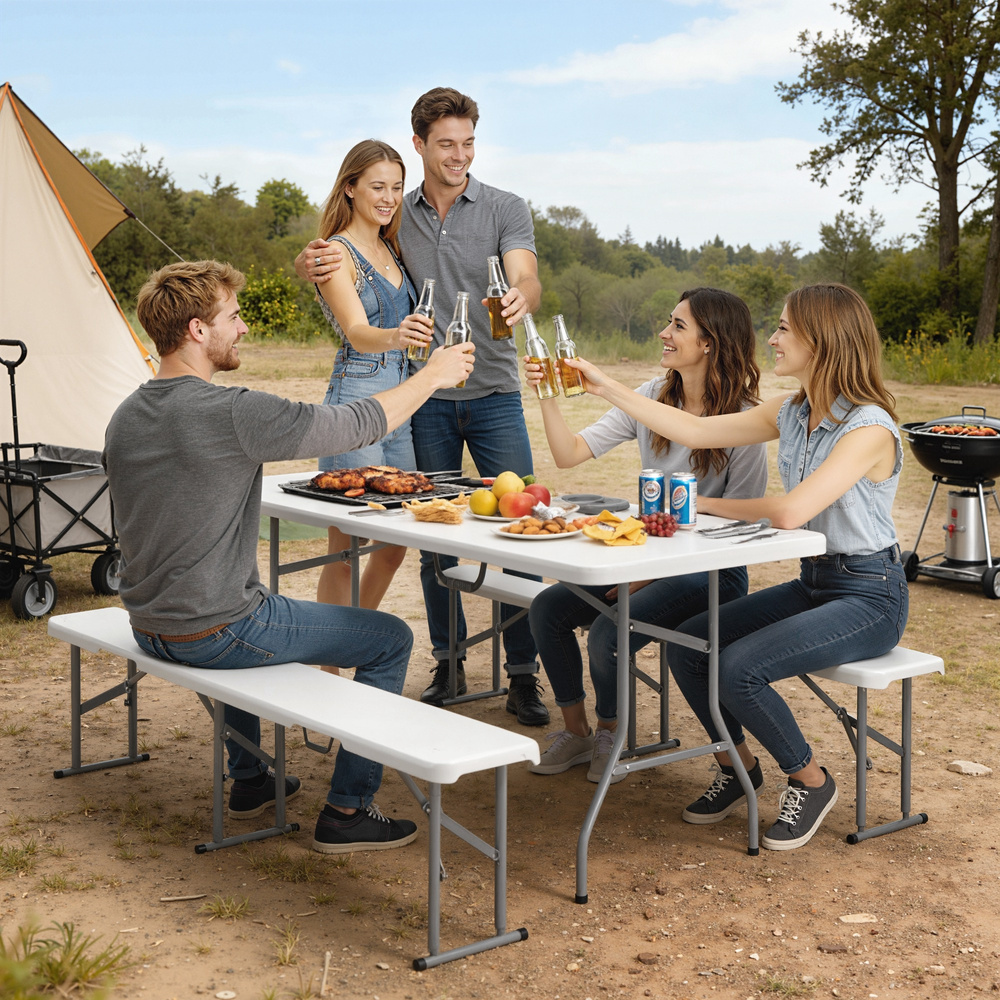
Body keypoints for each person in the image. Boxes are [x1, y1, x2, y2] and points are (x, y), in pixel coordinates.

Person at [103, 260, 474, 855]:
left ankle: (251, 781)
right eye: (234, 316)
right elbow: (354, 422)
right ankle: (349, 809)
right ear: (198, 330)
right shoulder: (230, 413)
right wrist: (432, 375)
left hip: (150, 624)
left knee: (253, 607)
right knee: (389, 639)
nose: (244, 327)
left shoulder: (127, 415)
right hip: (214, 629)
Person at [566, 283, 908, 850]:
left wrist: (701, 502)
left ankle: (809, 778)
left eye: (783, 329)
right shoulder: (793, 410)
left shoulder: (868, 428)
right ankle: (738, 768)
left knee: (739, 667)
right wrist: (603, 384)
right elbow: (696, 430)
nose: (771, 339)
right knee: (690, 645)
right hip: (815, 584)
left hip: (869, 596)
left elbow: (791, 511)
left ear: (821, 342)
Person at [295, 87, 549, 726]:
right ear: (420, 145)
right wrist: (311, 260)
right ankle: (449, 661)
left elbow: (528, 276)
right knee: (428, 538)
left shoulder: (504, 207)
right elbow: (342, 263)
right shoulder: (394, 214)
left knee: (519, 533)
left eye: (468, 143)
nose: (459, 155)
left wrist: (522, 296)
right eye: (446, 145)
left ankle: (523, 675)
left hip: (494, 394)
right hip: (420, 399)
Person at [523, 289, 768, 784]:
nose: (664, 332)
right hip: (644, 559)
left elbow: (743, 526)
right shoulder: (653, 394)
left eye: (678, 325)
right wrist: (548, 393)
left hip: (711, 572)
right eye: (669, 321)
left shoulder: (744, 416)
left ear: (709, 343)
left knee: (609, 633)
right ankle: (578, 733)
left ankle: (611, 733)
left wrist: (646, 577)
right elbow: (569, 453)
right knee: (547, 609)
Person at [311, 139, 433, 615]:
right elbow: (359, 333)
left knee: (394, 542)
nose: (388, 197)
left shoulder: (390, 246)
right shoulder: (335, 253)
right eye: (377, 186)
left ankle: (356, 633)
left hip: (399, 402)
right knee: (346, 541)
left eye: (397, 188)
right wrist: (399, 335)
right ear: (350, 189)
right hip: (357, 398)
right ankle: (329, 668)